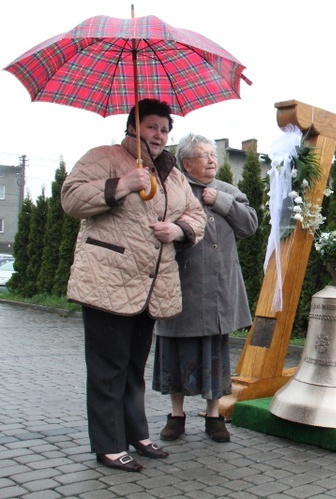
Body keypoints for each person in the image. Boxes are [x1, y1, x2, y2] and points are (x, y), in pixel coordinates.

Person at [61, 99, 206, 472]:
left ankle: (136, 433)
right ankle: (108, 445)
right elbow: (72, 198)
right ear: (132, 127)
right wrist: (122, 184)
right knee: (107, 368)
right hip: (107, 281)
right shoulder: (103, 157)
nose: (158, 135)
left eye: (164, 129)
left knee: (132, 368)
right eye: (151, 127)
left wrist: (179, 229)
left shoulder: (171, 174)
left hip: (150, 286)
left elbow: (196, 214)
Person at [153, 133, 258, 443]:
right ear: (187, 163)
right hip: (181, 285)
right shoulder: (173, 190)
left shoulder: (227, 190)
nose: (212, 160)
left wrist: (220, 201)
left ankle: (214, 417)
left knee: (214, 352)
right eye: (204, 156)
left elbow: (249, 226)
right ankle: (177, 415)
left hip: (218, 287)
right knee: (176, 348)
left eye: (214, 155)